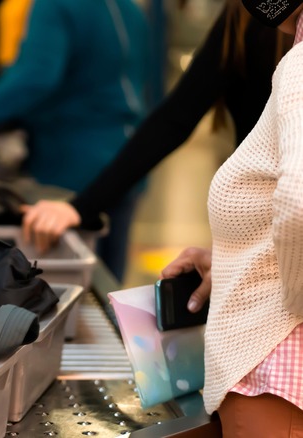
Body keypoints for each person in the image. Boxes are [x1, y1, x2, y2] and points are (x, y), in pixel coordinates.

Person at [20, 0, 293, 282]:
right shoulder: (248, 17)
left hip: (273, 242)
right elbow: (177, 116)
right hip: (260, 238)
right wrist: (82, 207)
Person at [0, 0, 150, 282]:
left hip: (70, 164)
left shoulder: (53, 5)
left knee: (68, 286)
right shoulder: (129, 9)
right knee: (108, 285)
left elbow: (36, 75)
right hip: (126, 159)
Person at [158, 0, 303, 434]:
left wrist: (293, 301)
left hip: (276, 375)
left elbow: (299, 205)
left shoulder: (299, 69)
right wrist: (240, 262)